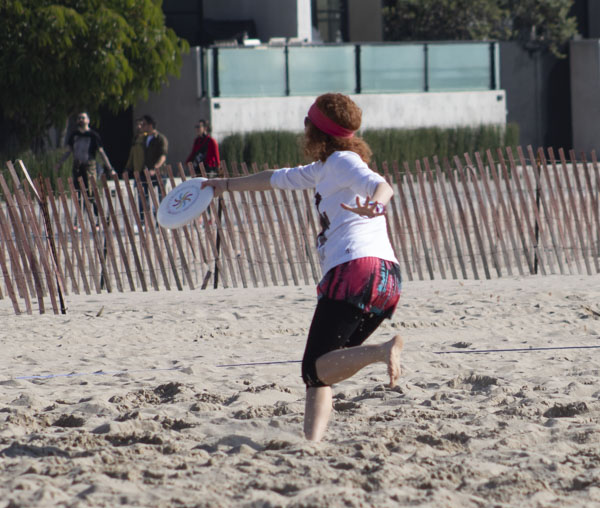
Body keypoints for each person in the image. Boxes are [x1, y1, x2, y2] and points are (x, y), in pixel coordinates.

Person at [200, 93, 404, 442]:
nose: (304, 128)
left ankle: (382, 351)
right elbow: (275, 178)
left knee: (314, 366)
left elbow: (381, 185)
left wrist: (375, 205)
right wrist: (226, 185)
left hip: (354, 269)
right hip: (387, 279)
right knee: (324, 368)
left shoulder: (342, 161)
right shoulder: (324, 169)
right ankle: (311, 443)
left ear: (317, 131)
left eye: (308, 122)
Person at [56, 112, 116, 219]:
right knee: (79, 193)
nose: (81, 120)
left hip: (89, 166)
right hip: (77, 167)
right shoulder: (74, 135)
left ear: (88, 120)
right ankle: (80, 219)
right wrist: (59, 163)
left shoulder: (93, 135)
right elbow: (68, 151)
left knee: (91, 192)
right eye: (79, 118)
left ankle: (100, 216)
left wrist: (110, 168)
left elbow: (101, 152)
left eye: (83, 118)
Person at [124, 114, 168, 225]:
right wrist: (129, 168)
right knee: (143, 197)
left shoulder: (160, 138)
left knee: (160, 197)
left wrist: (155, 168)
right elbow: (135, 153)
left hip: (159, 173)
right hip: (145, 172)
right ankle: (144, 222)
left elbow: (163, 156)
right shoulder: (142, 139)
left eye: (143, 124)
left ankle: (161, 221)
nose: (141, 126)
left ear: (150, 125)